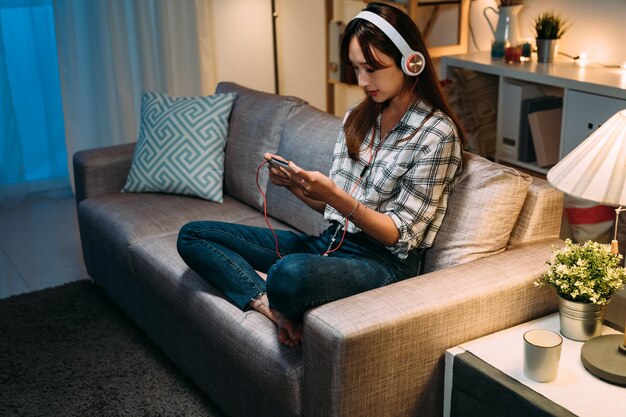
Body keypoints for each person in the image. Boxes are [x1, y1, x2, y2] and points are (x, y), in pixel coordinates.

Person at [176, 2, 464, 348]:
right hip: (332, 241)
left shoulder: (436, 134)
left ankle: (283, 297)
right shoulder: (358, 117)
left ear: (410, 61)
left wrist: (332, 195)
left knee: (288, 273)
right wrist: (299, 188)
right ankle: (272, 309)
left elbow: (399, 234)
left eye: (372, 69)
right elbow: (334, 209)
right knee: (194, 235)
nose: (362, 81)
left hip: (384, 263)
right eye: (356, 69)